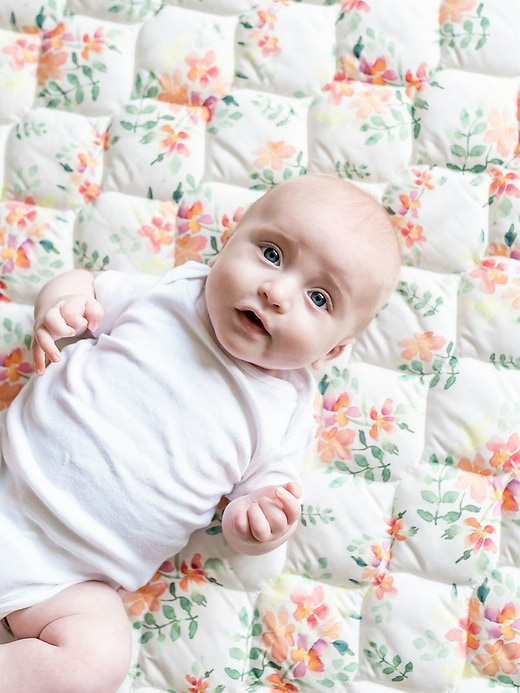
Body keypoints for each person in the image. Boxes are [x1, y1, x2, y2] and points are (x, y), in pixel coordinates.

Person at [0, 174, 400, 692]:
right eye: (273, 254)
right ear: (227, 244)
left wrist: (258, 523)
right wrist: (60, 307)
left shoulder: (287, 411)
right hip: (10, 470)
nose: (276, 292)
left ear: (331, 353)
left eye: (319, 298)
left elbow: (246, 513)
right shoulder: (171, 292)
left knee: (98, 659)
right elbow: (83, 286)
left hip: (72, 579)